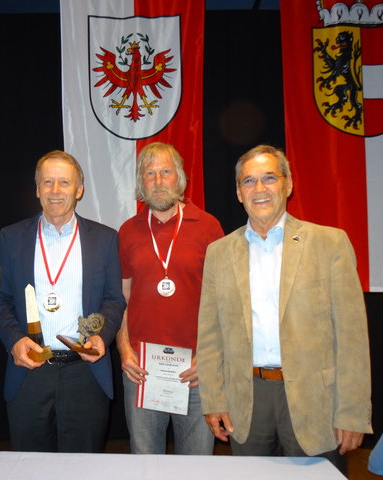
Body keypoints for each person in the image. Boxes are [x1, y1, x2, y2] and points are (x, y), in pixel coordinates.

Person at [196, 145, 372, 473]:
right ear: (238, 192)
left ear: (288, 184)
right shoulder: (219, 253)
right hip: (247, 400)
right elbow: (210, 336)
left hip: (315, 400)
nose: (259, 189)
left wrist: (351, 412)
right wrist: (214, 400)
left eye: (269, 178)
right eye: (248, 182)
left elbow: (352, 338)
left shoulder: (330, 244)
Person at [0, 150, 125, 453]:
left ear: (79, 190)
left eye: (64, 183)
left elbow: (113, 300)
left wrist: (101, 336)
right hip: (30, 369)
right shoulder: (11, 237)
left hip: (84, 372)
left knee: (82, 469)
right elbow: (1, 300)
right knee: (30, 469)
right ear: (37, 189)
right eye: (48, 182)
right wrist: (15, 341)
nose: (55, 191)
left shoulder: (105, 239)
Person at [116, 142, 224, 454]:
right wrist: (124, 351)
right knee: (146, 465)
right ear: (141, 182)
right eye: (150, 174)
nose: (159, 181)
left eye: (166, 172)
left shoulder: (208, 227)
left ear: (179, 178)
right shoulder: (127, 232)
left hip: (194, 372)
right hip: (141, 371)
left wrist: (207, 357)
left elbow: (222, 304)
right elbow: (122, 298)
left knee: (195, 466)